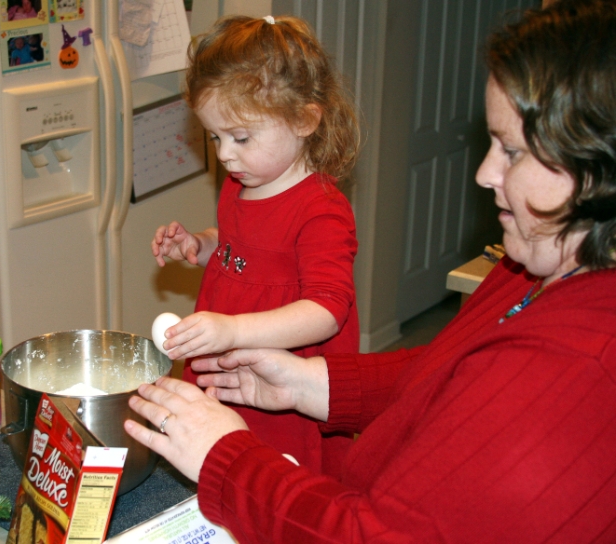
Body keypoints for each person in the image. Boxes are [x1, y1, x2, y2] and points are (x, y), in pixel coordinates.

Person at [125, 1, 616, 542]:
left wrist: (226, 458)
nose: (483, 173)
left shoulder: (575, 367)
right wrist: (317, 384)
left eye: (513, 151)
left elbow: (374, 533)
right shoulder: (532, 266)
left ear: (595, 169)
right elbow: (440, 370)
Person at [150, 15, 360, 476]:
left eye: (241, 137)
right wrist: (201, 244)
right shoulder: (242, 183)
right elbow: (239, 244)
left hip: (282, 383)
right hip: (229, 368)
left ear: (304, 119)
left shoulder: (321, 211)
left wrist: (233, 331)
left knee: (272, 477)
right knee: (221, 457)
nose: (224, 154)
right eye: (215, 137)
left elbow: (328, 310)